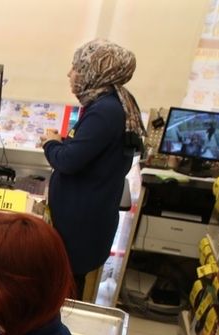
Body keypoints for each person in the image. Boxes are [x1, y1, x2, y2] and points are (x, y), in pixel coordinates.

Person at [40, 39, 144, 300]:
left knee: (63, 298)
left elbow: (68, 161)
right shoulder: (113, 104)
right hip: (87, 219)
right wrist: (64, 143)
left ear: (93, 72)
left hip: (80, 228)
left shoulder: (104, 112)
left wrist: (50, 143)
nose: (69, 73)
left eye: (76, 67)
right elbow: (91, 152)